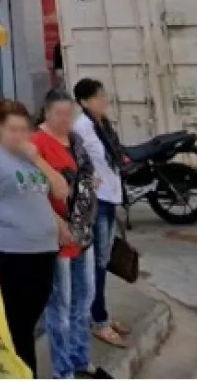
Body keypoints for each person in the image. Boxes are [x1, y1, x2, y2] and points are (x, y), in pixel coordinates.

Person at [0, 99, 67, 378]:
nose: (19, 136)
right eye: (13, 130)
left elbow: (59, 191)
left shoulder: (30, 157)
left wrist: (37, 159)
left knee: (29, 320)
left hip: (43, 251)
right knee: (17, 326)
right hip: (11, 253)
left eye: (24, 130)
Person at [34, 89, 106, 381]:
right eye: (60, 114)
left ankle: (80, 358)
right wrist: (57, 223)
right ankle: (62, 371)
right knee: (60, 309)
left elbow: (86, 173)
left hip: (82, 233)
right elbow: (31, 193)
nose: (66, 120)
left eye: (70, 114)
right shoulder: (36, 144)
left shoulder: (74, 140)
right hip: (57, 238)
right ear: (47, 113)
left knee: (84, 299)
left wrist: (90, 182)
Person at [73, 78, 131, 349]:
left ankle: (100, 313)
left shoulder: (103, 124)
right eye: (98, 96)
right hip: (97, 201)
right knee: (97, 262)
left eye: (104, 94)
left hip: (110, 196)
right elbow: (79, 163)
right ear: (84, 102)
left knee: (103, 260)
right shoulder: (81, 127)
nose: (104, 99)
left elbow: (112, 160)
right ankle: (99, 319)